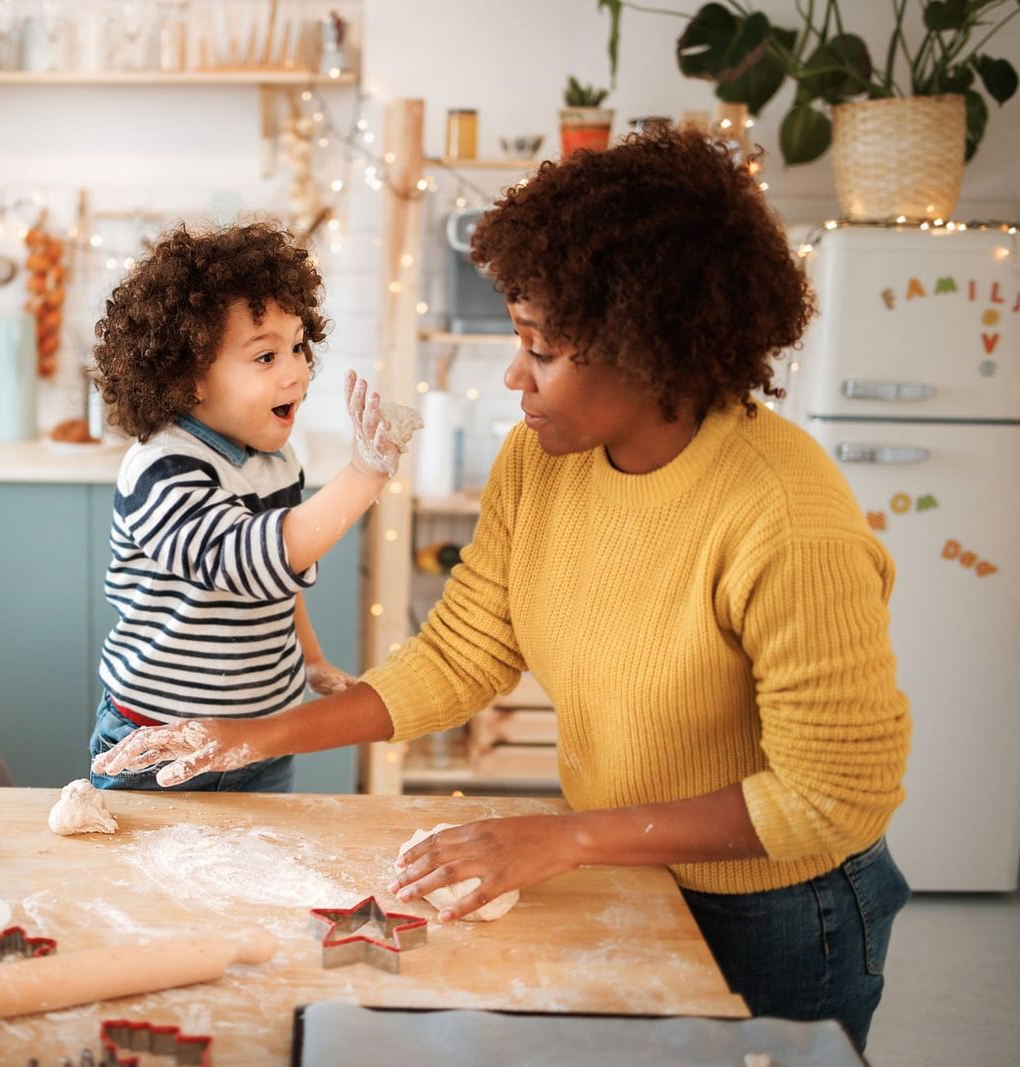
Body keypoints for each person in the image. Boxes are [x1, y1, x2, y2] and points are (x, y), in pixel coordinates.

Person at [94, 130, 913, 1049]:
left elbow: (834, 795)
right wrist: (253, 735)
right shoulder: (543, 457)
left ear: (657, 353)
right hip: (636, 865)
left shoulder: (785, 519)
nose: (513, 376)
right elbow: (465, 651)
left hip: (782, 907)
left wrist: (568, 837)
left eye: (543, 350)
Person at [87, 220, 409, 793]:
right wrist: (364, 473)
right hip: (162, 744)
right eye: (266, 357)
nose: (297, 371)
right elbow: (246, 557)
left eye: (297, 347)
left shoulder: (274, 461)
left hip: (260, 741)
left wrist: (310, 661)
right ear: (189, 379)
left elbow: (274, 584)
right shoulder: (161, 468)